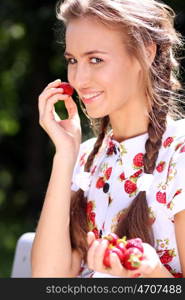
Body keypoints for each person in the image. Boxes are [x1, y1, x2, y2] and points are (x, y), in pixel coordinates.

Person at [31, 0, 185, 278]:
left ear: (146, 53)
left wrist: (150, 273)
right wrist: (65, 153)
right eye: (72, 61)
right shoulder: (87, 157)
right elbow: (47, 281)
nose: (79, 79)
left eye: (96, 59)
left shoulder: (179, 153)